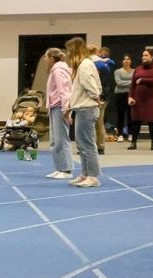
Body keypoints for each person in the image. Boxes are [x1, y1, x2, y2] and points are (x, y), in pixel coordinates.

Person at [65, 38, 102, 187]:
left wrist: (96, 98)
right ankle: (85, 173)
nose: (67, 54)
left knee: (87, 144)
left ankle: (93, 176)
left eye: (68, 50)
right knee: (81, 144)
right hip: (82, 109)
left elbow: (92, 88)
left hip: (87, 109)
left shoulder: (85, 66)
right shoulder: (82, 65)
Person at [43, 48, 74, 180]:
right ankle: (59, 167)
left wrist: (66, 110)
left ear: (51, 58)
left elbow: (64, 90)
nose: (44, 60)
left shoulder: (58, 71)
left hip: (60, 107)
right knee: (55, 140)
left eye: (46, 57)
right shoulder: (55, 70)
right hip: (54, 107)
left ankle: (67, 170)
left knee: (61, 139)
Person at [128, 49, 153, 149]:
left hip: (152, 99)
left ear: (152, 56)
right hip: (137, 99)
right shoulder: (138, 69)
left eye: (146, 55)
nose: (144, 57)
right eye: (143, 55)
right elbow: (132, 85)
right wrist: (130, 96)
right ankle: (133, 143)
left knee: (152, 121)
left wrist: (142, 80)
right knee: (136, 121)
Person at [92, 46, 115, 153]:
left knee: (98, 122)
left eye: (104, 53)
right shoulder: (103, 64)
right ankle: (96, 146)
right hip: (99, 95)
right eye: (101, 52)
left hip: (101, 96)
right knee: (96, 122)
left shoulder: (104, 64)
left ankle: (100, 146)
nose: (102, 54)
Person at [112, 55, 134, 140]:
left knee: (130, 115)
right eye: (124, 59)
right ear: (122, 61)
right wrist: (131, 82)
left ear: (130, 61)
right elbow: (119, 83)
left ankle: (130, 134)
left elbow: (135, 83)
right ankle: (120, 135)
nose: (126, 60)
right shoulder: (117, 71)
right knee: (120, 115)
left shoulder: (134, 71)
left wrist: (126, 82)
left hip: (130, 95)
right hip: (120, 94)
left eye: (128, 59)